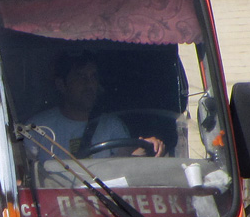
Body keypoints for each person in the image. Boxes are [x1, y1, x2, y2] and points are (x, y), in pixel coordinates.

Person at [30, 52, 165, 159]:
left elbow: (126, 163)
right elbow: (22, 175)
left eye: (93, 77)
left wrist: (148, 146)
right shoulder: (38, 128)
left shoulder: (112, 125)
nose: (89, 84)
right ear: (61, 85)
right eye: (80, 77)